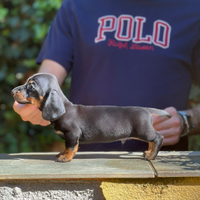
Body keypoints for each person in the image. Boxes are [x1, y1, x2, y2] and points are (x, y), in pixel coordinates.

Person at [13, 0, 200, 151]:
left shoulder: (194, 11)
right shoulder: (77, 5)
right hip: (87, 166)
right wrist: (37, 103)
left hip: (163, 171)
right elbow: (50, 74)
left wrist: (186, 121)